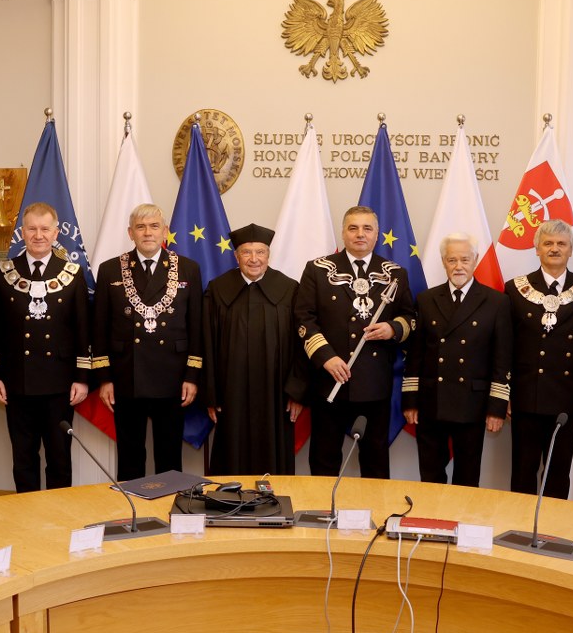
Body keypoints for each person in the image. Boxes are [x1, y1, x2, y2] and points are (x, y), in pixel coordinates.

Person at [294, 205, 415, 478]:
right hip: (330, 381)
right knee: (324, 460)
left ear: (376, 234)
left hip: (374, 383)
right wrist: (326, 357)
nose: (360, 234)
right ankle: (323, 505)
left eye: (367, 228)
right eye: (353, 228)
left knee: (375, 462)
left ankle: (375, 507)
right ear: (343, 233)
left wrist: (393, 328)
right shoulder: (317, 269)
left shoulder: (395, 273)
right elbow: (303, 319)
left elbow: (411, 318)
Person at [0, 203, 91, 492]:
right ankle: (26, 515)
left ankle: (58, 514)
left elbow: (83, 329)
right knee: (23, 459)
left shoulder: (72, 273)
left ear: (56, 233)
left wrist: (82, 378)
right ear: (22, 232)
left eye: (45, 229)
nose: (38, 235)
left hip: (59, 384)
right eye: (32, 229)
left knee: (59, 458)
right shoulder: (4, 271)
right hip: (17, 381)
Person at [92, 203, 203, 480]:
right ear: (130, 233)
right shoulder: (110, 270)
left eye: (154, 226)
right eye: (140, 227)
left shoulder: (188, 269)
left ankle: (169, 503)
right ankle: (132, 506)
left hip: (173, 376)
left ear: (165, 231)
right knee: (130, 455)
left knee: (169, 455)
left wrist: (192, 376)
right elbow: (100, 328)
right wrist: (104, 378)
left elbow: (196, 327)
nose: (148, 233)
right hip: (126, 374)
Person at [402, 234, 511, 487]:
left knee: (467, 478)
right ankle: (432, 513)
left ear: (475, 260)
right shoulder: (426, 300)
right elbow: (416, 355)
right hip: (432, 401)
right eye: (452, 260)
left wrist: (496, 408)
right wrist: (410, 401)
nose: (458, 266)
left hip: (472, 403)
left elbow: (502, 359)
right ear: (443, 262)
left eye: (465, 259)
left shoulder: (496, 301)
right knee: (430, 476)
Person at [505, 218, 573, 500]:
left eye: (561, 243)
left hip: (568, 395)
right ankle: (520, 522)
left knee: (558, 471)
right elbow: (507, 345)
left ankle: (554, 523)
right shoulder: (515, 288)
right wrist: (505, 393)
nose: (555, 248)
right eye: (548, 243)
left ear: (571, 250)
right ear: (537, 249)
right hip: (525, 394)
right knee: (523, 469)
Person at [202, 223, 308, 475]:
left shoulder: (289, 289)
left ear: (268, 255)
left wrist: (297, 392)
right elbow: (207, 342)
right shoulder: (217, 289)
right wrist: (211, 394)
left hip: (277, 393)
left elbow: (302, 344)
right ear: (236, 256)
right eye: (246, 252)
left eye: (260, 252)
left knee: (274, 457)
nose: (254, 259)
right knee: (231, 452)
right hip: (231, 391)